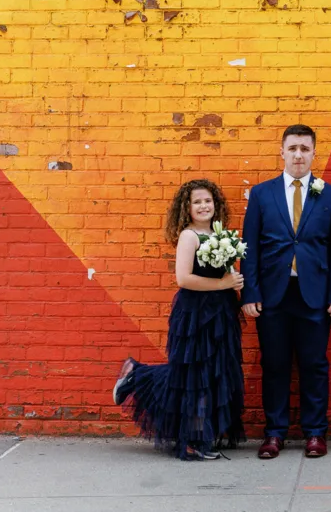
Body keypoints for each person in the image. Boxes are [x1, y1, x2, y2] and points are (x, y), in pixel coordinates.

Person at [112, 179, 246, 460]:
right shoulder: (189, 236)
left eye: (208, 200)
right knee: (193, 377)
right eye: (197, 202)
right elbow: (184, 279)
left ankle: (201, 431)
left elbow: (223, 274)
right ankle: (193, 438)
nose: (203, 206)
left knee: (213, 374)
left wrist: (236, 283)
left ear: (216, 204)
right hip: (196, 315)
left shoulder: (220, 234)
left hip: (220, 313)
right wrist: (224, 283)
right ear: (186, 208)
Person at [241, 124, 331, 459]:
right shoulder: (262, 194)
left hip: (314, 295)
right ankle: (274, 433)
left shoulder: (328, 194)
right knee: (275, 365)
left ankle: (315, 433)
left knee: (314, 365)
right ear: (282, 152)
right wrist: (250, 294)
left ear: (314, 153)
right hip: (273, 295)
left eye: (305, 148)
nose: (299, 155)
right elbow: (251, 248)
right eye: (293, 148)